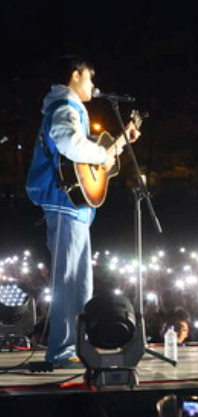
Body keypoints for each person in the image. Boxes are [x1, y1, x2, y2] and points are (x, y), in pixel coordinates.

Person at [25, 56, 140, 367]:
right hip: (63, 203)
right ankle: (62, 349)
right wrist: (103, 153)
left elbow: (90, 164)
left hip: (72, 206)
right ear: (75, 75)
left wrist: (116, 147)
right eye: (90, 77)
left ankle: (75, 345)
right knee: (67, 280)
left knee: (79, 280)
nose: (93, 84)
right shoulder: (63, 106)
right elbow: (70, 143)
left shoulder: (70, 108)